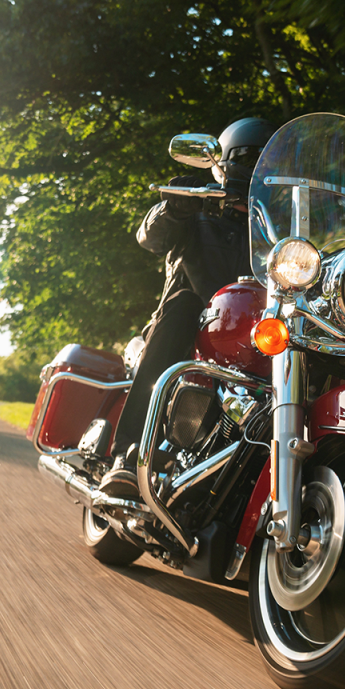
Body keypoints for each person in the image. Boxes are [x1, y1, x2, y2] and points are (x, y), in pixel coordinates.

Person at [99, 117, 276, 499]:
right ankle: (127, 457)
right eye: (251, 157)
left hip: (251, 340)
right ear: (227, 162)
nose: (258, 167)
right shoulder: (197, 207)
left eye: (267, 161)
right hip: (189, 329)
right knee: (182, 306)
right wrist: (173, 208)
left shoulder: (280, 235)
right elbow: (150, 237)